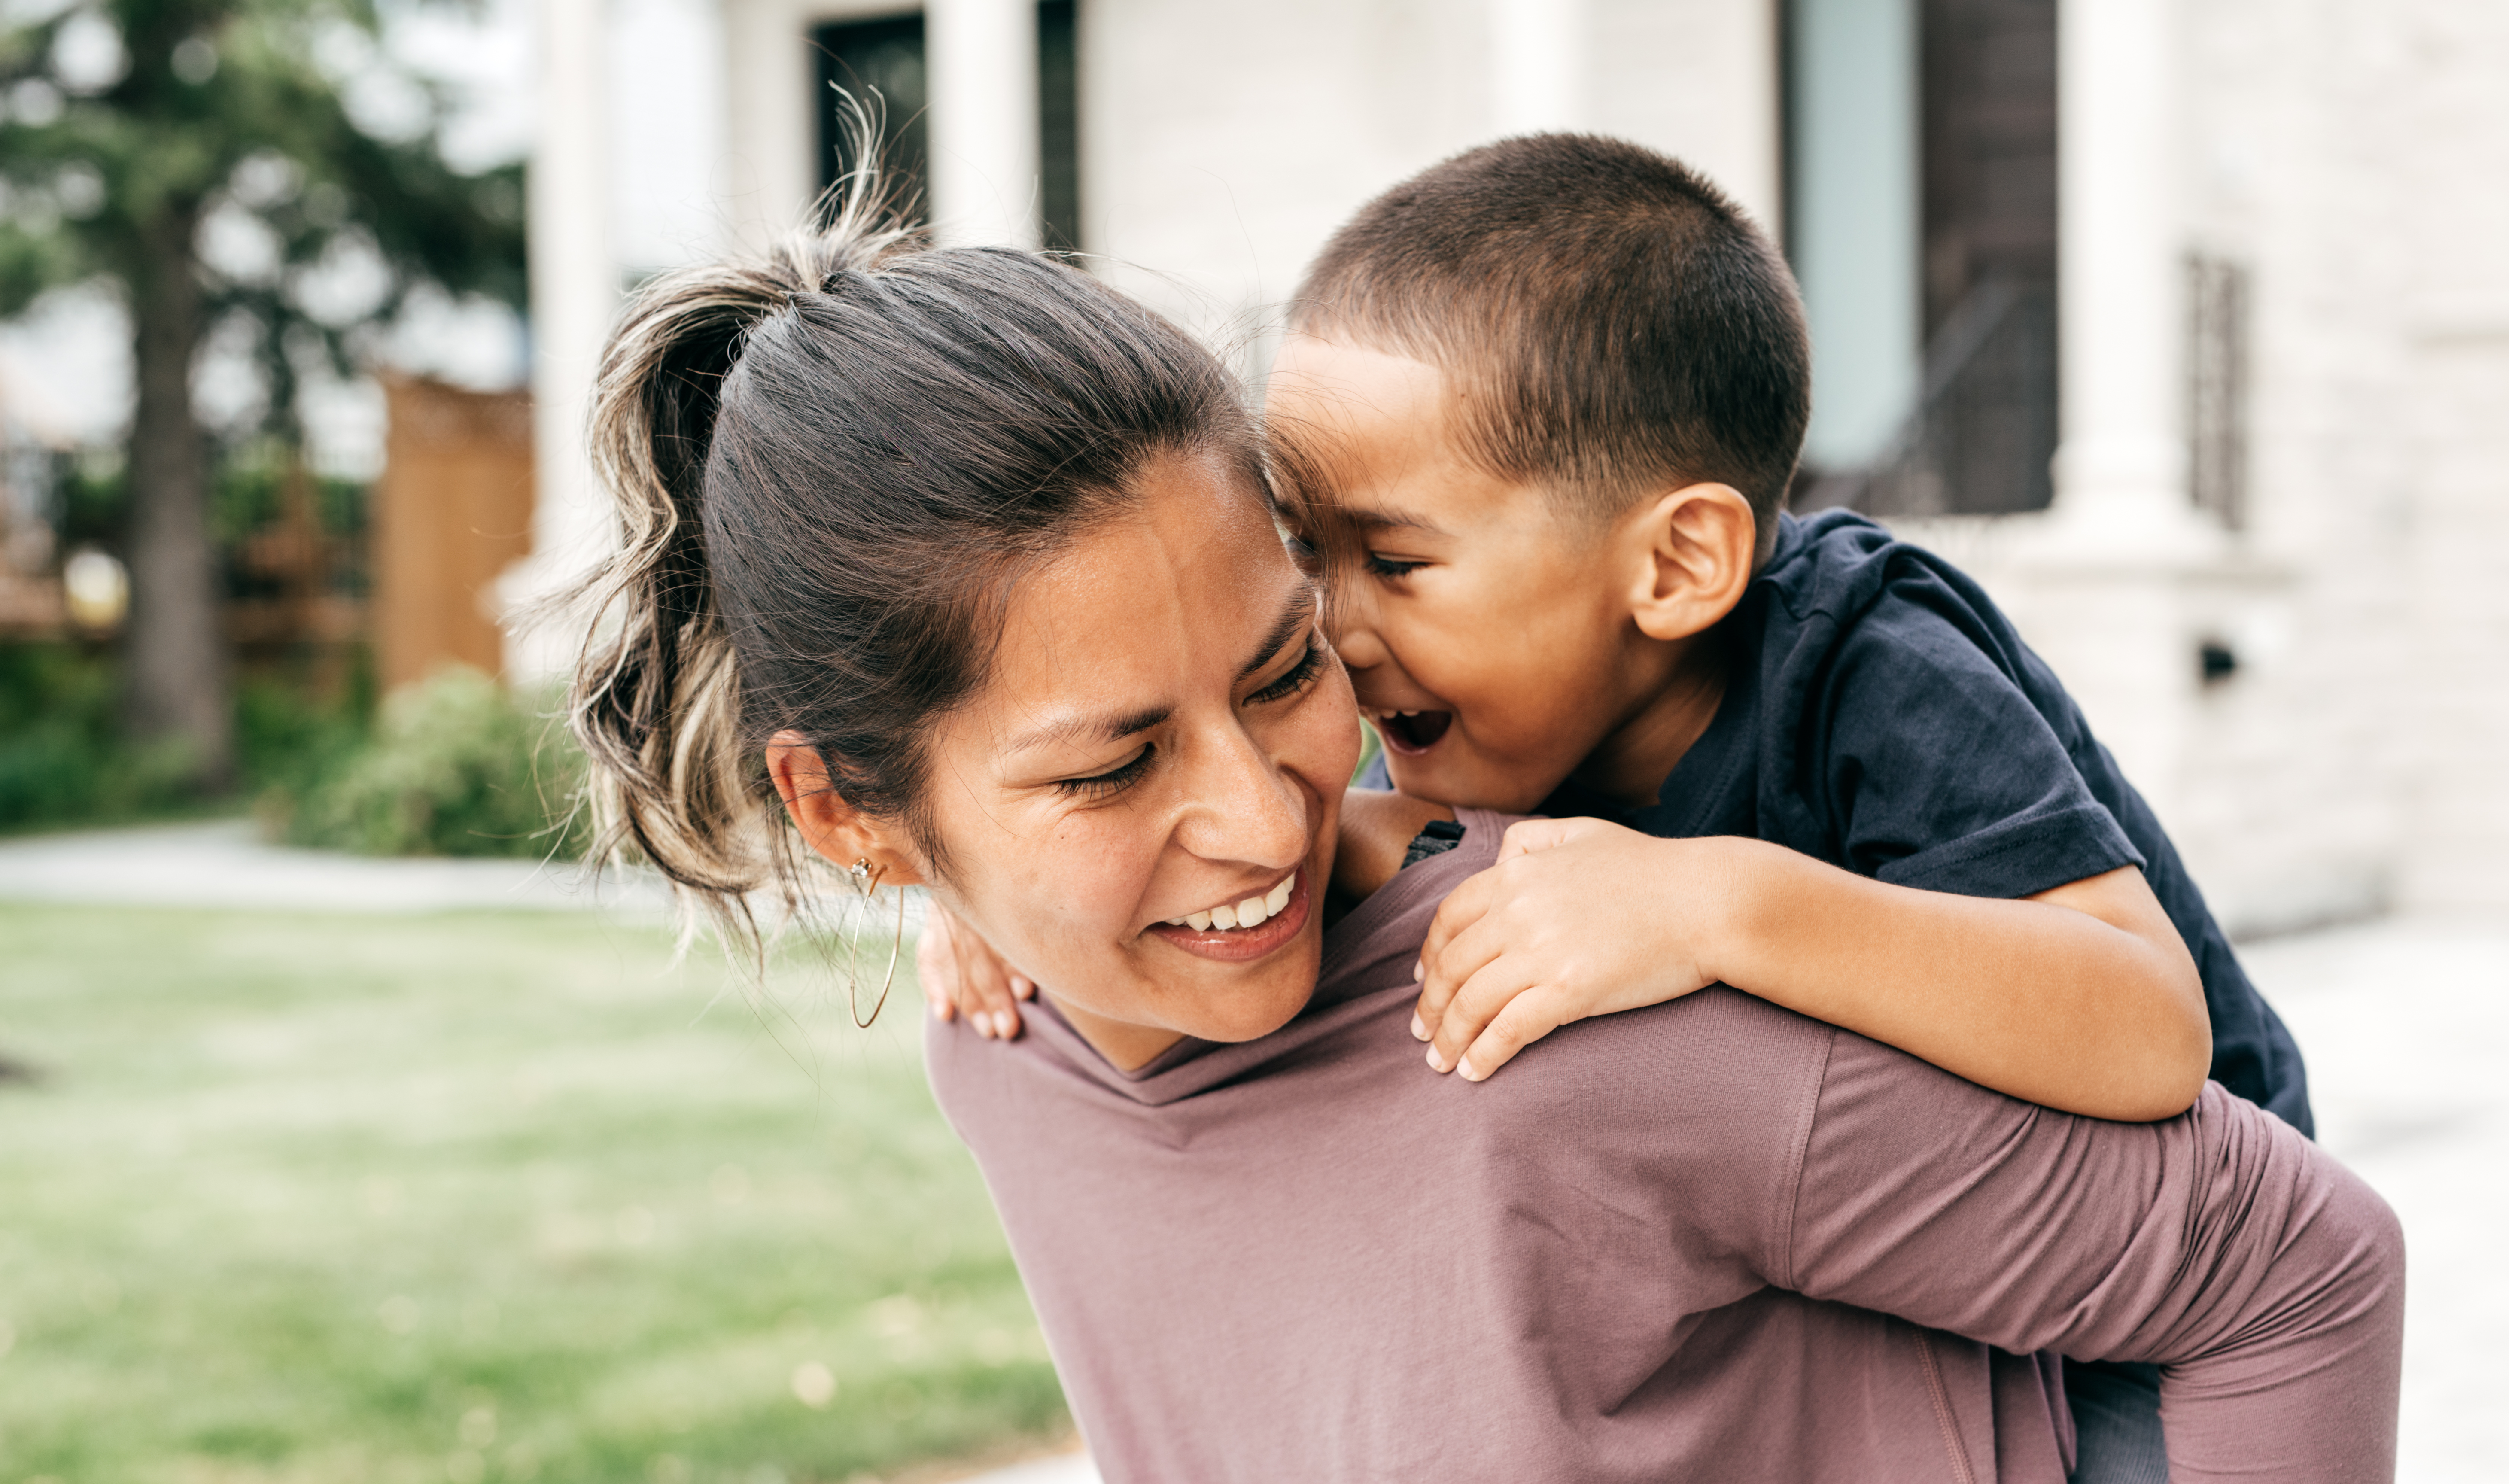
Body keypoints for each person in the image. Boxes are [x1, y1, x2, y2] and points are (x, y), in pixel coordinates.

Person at [565, 203, 2405, 1482]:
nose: (1264, 810)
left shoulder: (1593, 1012)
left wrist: (1721, 901)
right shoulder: (1006, 1054)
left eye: (1287, 668)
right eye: (1111, 766)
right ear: (853, 817)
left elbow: (2294, 1252)